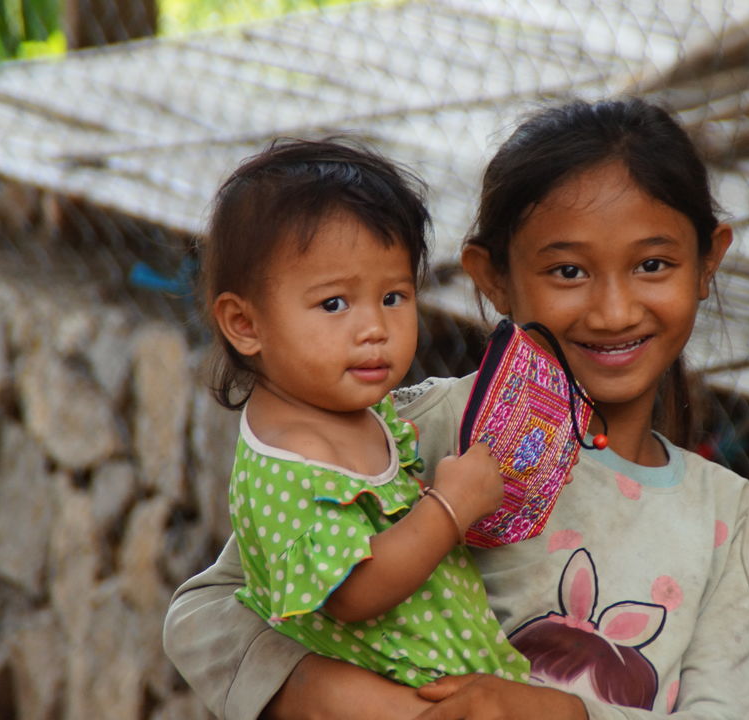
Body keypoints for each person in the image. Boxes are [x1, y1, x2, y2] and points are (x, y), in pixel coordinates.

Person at [164, 97, 749, 720]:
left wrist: (562, 714)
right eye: (568, 271)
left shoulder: (724, 519)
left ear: (708, 263)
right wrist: (325, 694)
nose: (614, 311)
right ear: (493, 278)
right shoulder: (417, 432)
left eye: (652, 265)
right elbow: (208, 610)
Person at [196, 137, 530, 695]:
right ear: (245, 324)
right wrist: (450, 507)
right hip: (408, 693)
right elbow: (354, 592)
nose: (374, 328)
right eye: (334, 304)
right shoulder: (296, 458)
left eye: (394, 297)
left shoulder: (348, 411)